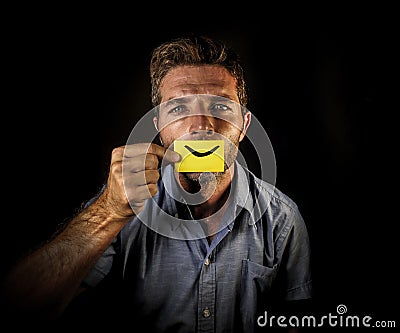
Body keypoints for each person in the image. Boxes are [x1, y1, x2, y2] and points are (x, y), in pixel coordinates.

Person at [0, 35, 312, 332]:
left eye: (220, 107)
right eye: (178, 108)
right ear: (159, 126)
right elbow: (18, 310)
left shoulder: (281, 218)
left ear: (244, 125)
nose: (201, 125)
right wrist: (107, 214)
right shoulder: (121, 207)